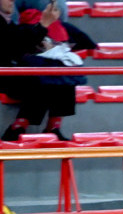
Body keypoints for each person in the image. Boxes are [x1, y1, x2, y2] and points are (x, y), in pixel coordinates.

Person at [0, 0, 76, 141]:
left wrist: (42, 45)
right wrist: (43, 25)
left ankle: (53, 126)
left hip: (12, 69)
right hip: (4, 73)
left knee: (61, 70)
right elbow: (14, 46)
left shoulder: (8, 21)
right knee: (41, 77)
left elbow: (19, 43)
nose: (12, 1)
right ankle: (19, 125)